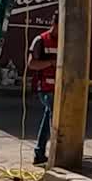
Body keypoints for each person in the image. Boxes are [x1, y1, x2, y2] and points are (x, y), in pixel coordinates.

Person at [26, 13, 58, 165]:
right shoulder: (41, 40)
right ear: (55, 24)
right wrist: (51, 63)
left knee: (48, 117)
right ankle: (55, 154)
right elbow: (31, 64)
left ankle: (39, 153)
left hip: (60, 88)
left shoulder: (65, 40)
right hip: (45, 88)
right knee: (54, 116)